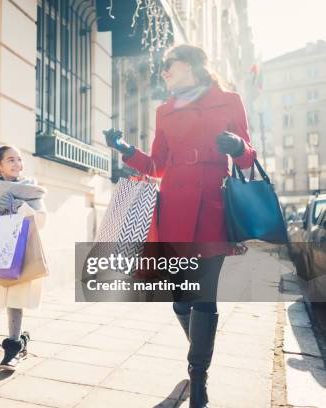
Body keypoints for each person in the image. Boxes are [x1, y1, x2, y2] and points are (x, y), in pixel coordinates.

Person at [104, 44, 256, 408]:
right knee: (179, 301)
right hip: (173, 210)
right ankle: (199, 358)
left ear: (190, 65)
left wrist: (237, 146)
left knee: (203, 297)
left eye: (169, 66)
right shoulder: (164, 110)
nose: (164, 72)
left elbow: (249, 156)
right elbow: (157, 165)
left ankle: (198, 379)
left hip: (213, 209)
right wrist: (125, 149)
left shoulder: (229, 100)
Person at [0, 145, 48, 370]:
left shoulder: (32, 189)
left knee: (17, 298)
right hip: (1, 247)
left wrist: (21, 207)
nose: (17, 163)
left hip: (24, 248)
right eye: (11, 160)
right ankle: (20, 340)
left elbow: (42, 220)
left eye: (19, 159)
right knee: (6, 297)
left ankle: (13, 346)